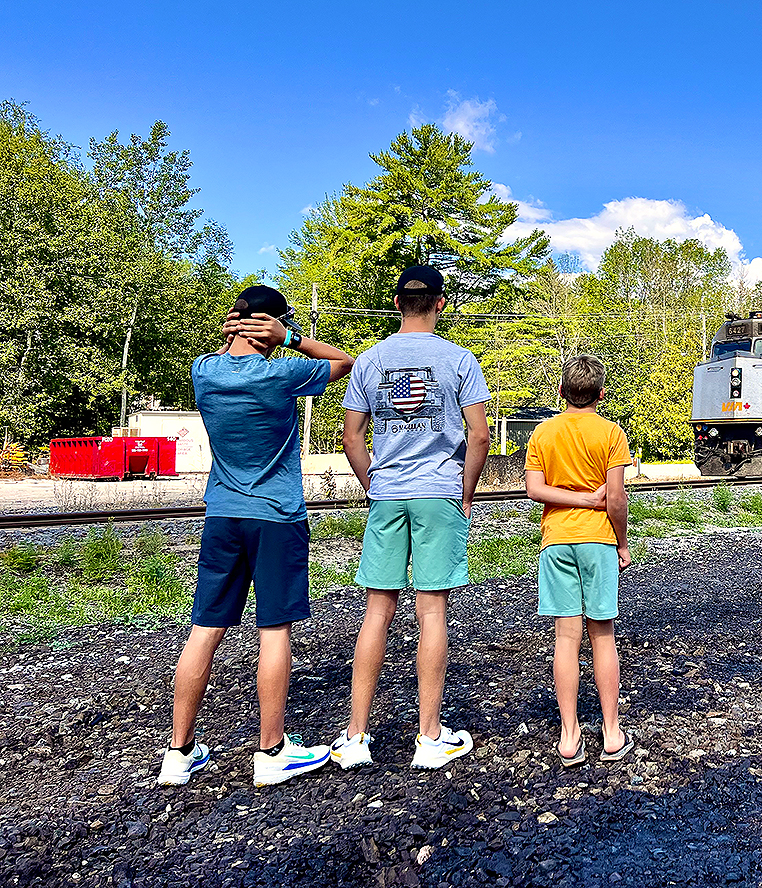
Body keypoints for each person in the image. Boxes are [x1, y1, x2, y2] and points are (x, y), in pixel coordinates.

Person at [157, 285, 354, 787]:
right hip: (277, 516)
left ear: (232, 320)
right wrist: (292, 338)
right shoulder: (284, 373)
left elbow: (223, 355)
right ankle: (271, 752)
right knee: (274, 629)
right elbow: (345, 361)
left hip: (222, 515)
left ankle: (177, 754)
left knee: (206, 627)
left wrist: (242, 334)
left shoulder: (204, 372)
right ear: (274, 324)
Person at [330, 265, 491, 770]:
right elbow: (480, 435)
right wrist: (464, 492)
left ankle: (356, 736)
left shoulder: (370, 361)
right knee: (432, 612)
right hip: (438, 493)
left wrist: (373, 483)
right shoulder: (460, 359)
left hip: (388, 494)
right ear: (441, 303)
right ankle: (428, 737)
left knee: (377, 611)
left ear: (398, 303)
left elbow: (351, 436)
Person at [524, 355, 634, 766]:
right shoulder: (611, 433)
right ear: (602, 394)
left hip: (555, 542)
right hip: (599, 541)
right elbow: (616, 499)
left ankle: (570, 737)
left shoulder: (543, 433)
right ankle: (610, 732)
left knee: (565, 638)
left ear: (561, 392)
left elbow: (535, 490)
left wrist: (575, 499)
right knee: (602, 635)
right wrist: (621, 543)